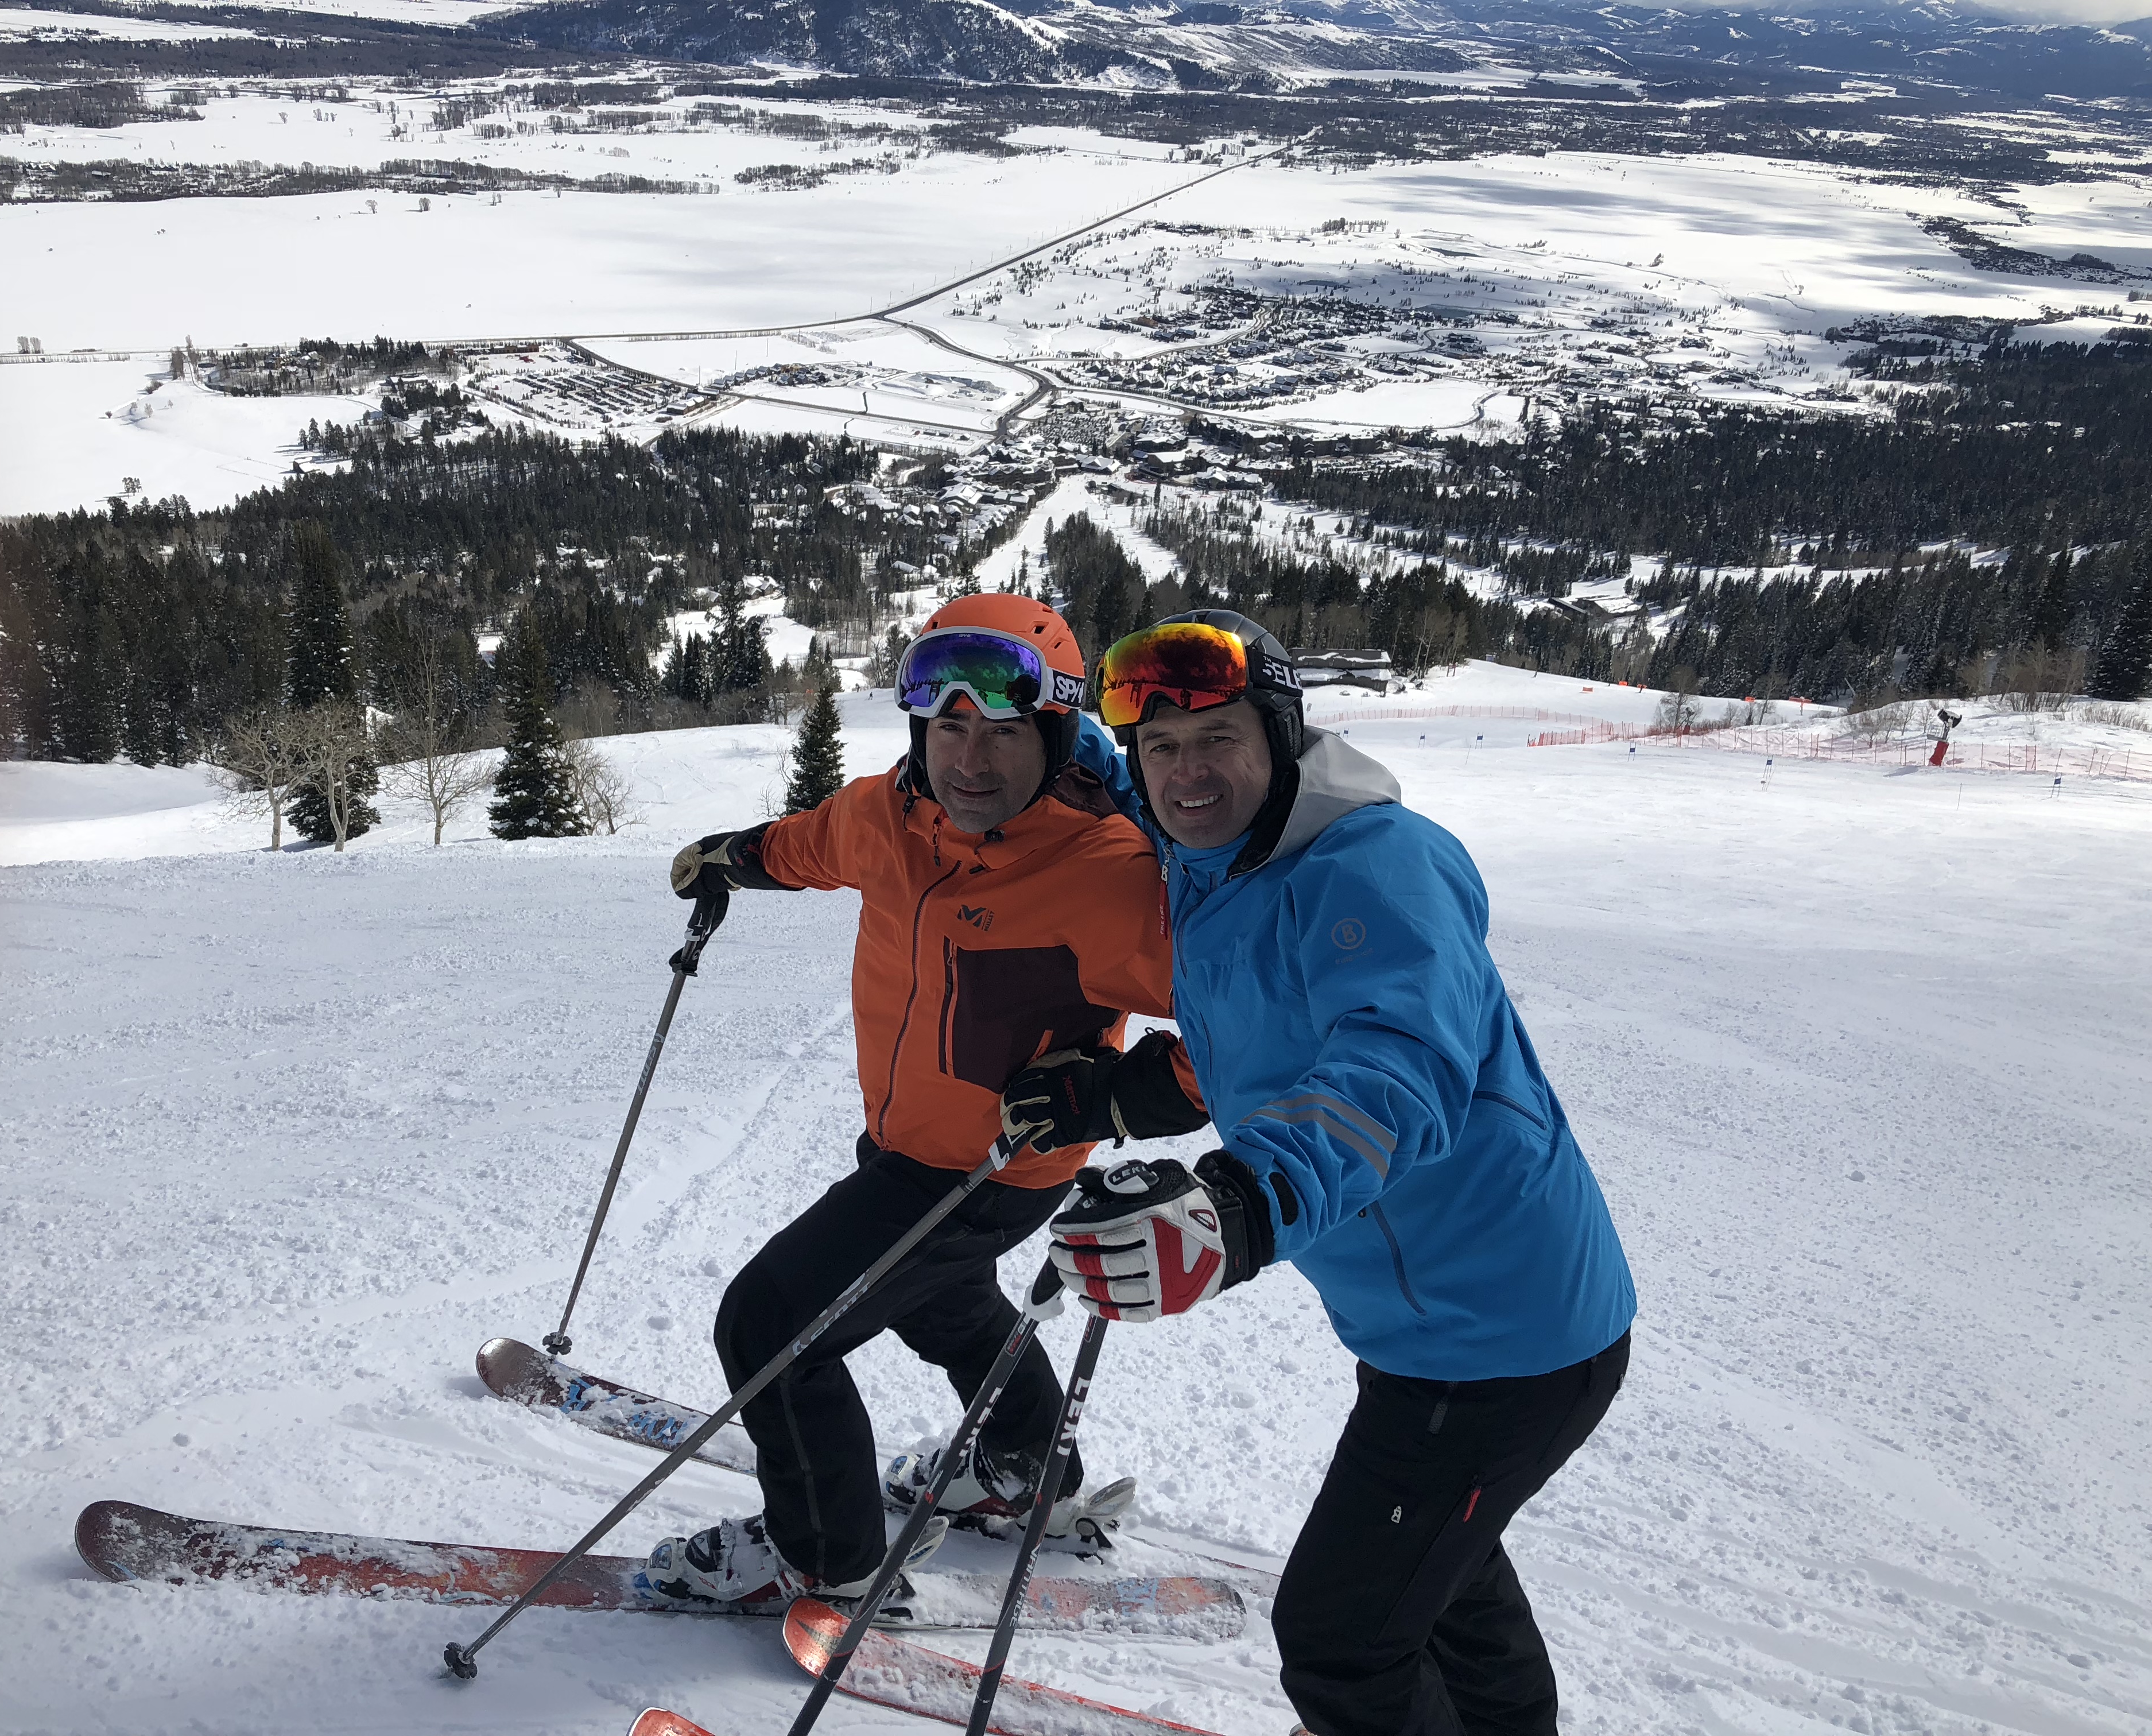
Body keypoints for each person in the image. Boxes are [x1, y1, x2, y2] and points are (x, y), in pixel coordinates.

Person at [1005, 609, 1636, 1734]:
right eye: (1162, 748)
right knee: (1445, 1590)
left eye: (1219, 738)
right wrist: (1116, 1097)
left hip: (1499, 1341)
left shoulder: (1374, 867)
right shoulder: (1217, 856)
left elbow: (1397, 1071)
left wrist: (1242, 1205)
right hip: (1434, 1328)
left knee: (1342, 1640)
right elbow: (1256, 1038)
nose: (1187, 773)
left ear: (1282, 737)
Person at [645, 592, 1207, 1607]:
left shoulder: (1107, 874)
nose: (971, 761)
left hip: (990, 1171)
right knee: (945, 1306)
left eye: (1004, 732)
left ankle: (831, 1559)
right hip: (904, 1143)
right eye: (949, 727)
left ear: (1056, 731)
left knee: (771, 1329)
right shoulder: (888, 816)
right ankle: (1026, 1470)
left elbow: (1250, 1030)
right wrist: (738, 856)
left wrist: (1119, 1096)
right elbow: (810, 845)